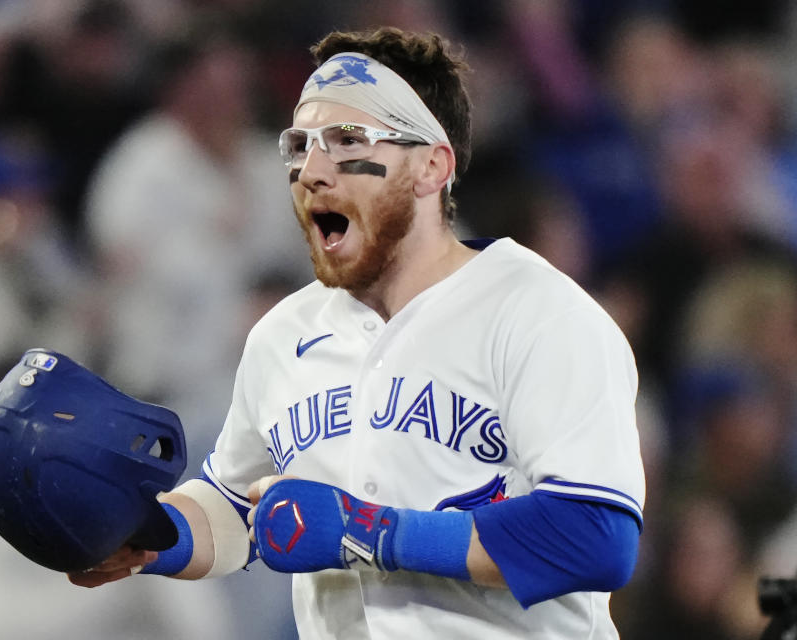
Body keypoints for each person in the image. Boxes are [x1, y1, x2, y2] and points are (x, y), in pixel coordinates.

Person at [70, 27, 645, 639]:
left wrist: (367, 531)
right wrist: (144, 533)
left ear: (431, 166)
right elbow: (239, 510)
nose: (310, 171)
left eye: (347, 142)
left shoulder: (539, 314)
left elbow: (595, 535)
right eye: (299, 145)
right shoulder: (283, 335)